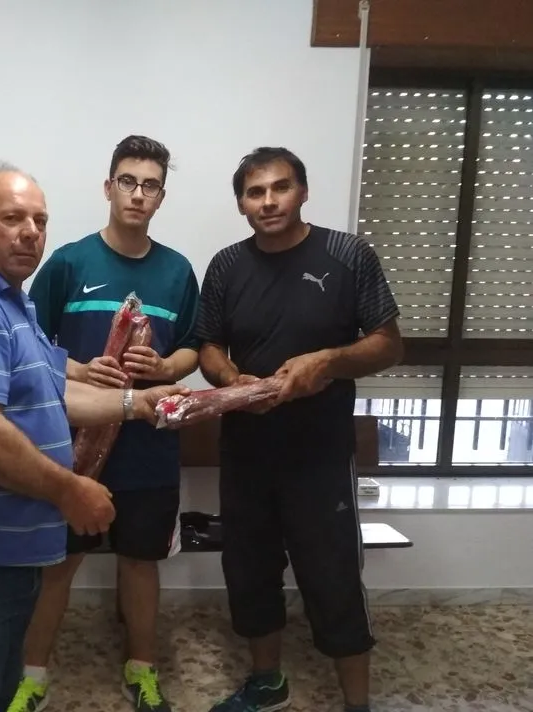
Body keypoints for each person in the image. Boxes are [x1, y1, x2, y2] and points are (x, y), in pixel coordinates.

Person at [0, 161, 188, 712]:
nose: (30, 232)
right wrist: (69, 489)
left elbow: (52, 391)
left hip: (4, 547)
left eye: (40, 220)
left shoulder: (11, 303)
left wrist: (137, 404)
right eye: (12, 218)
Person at [193, 146, 403, 712]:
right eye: (255, 192)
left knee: (333, 578)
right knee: (249, 571)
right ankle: (268, 684)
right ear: (241, 203)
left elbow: (389, 344)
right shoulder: (226, 265)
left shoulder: (349, 254)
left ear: (303, 192)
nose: (268, 202)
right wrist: (232, 379)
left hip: (321, 455)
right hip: (246, 451)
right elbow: (208, 345)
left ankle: (357, 703)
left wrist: (328, 361)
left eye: (280, 187)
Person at [8, 136, 201, 712]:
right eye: (128, 181)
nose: (138, 194)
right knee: (59, 563)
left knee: (140, 562)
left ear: (161, 196)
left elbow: (193, 347)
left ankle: (142, 670)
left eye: (150, 185)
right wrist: (79, 369)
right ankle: (31, 677)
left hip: (148, 449)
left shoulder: (177, 271)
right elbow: (29, 342)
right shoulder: (69, 263)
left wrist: (165, 367)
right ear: (108, 187)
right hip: (71, 447)